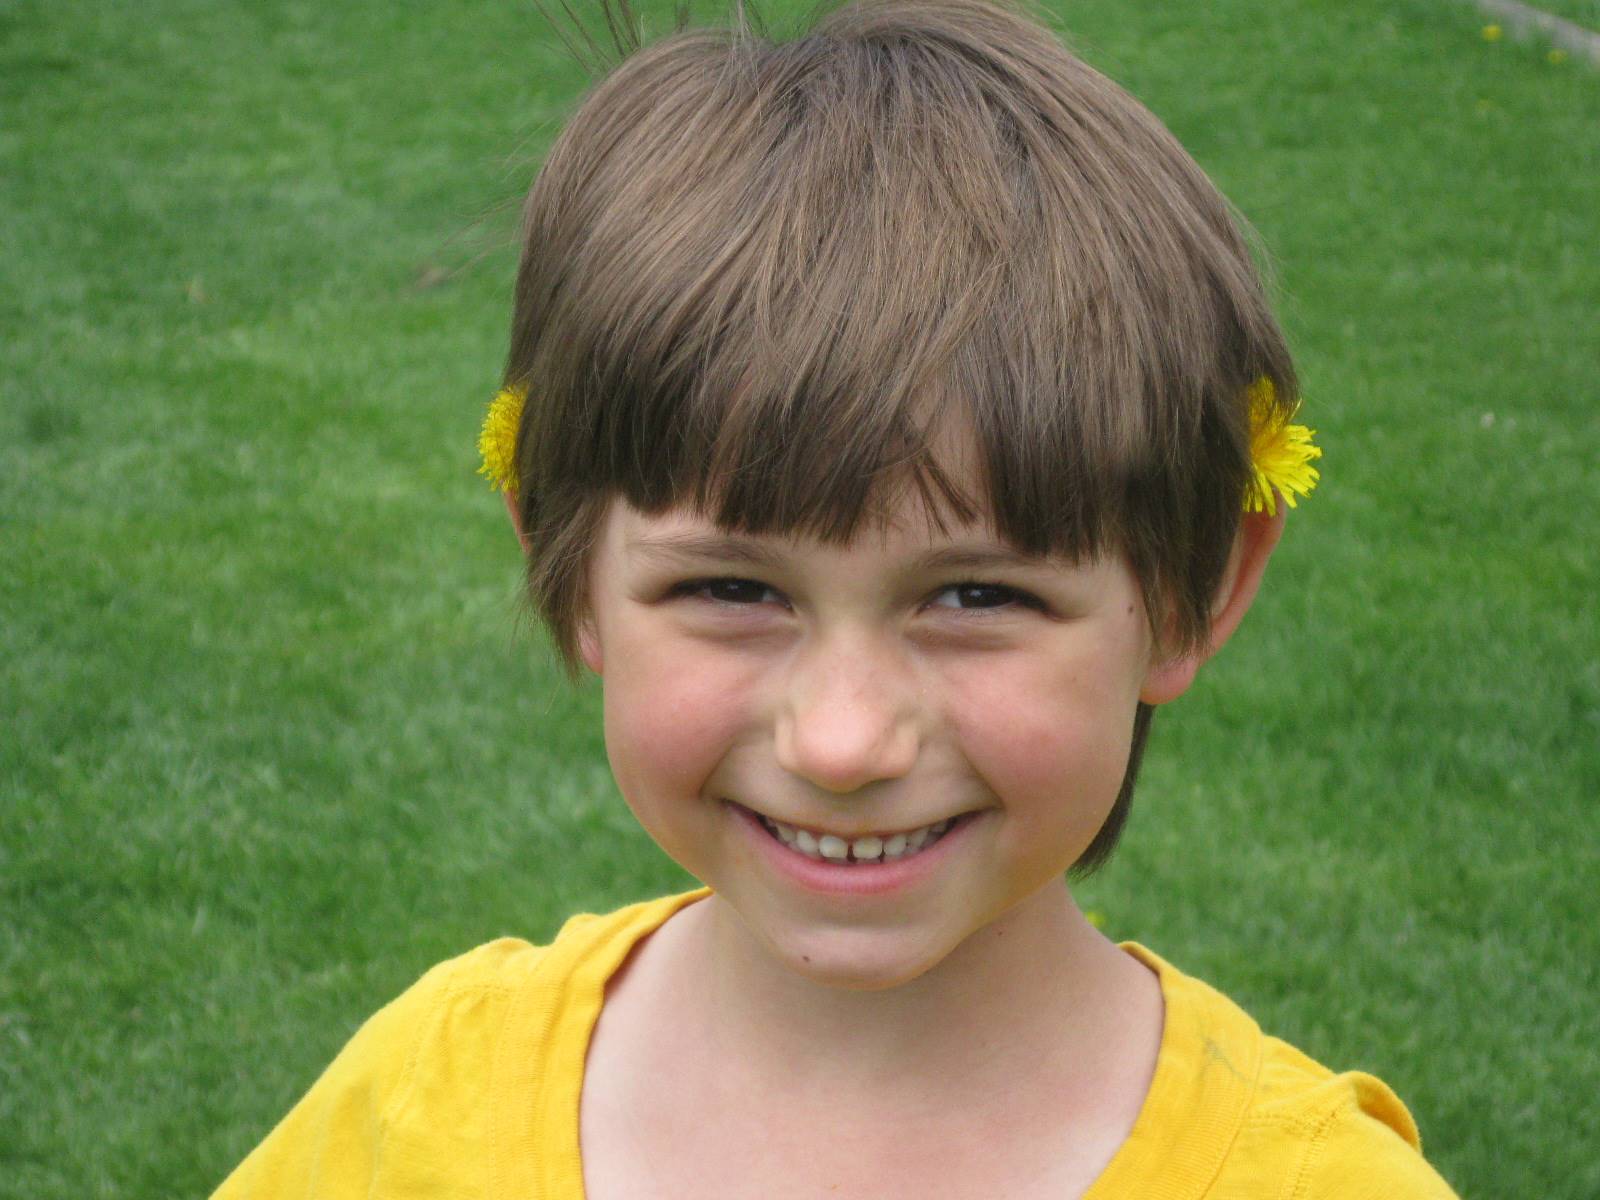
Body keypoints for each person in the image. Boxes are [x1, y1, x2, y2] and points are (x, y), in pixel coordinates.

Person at [212, 0, 1458, 1195]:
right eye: (730, 587)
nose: (843, 741)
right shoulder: (419, 1103)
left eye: (973, 595)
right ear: (563, 558)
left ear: (1196, 587)